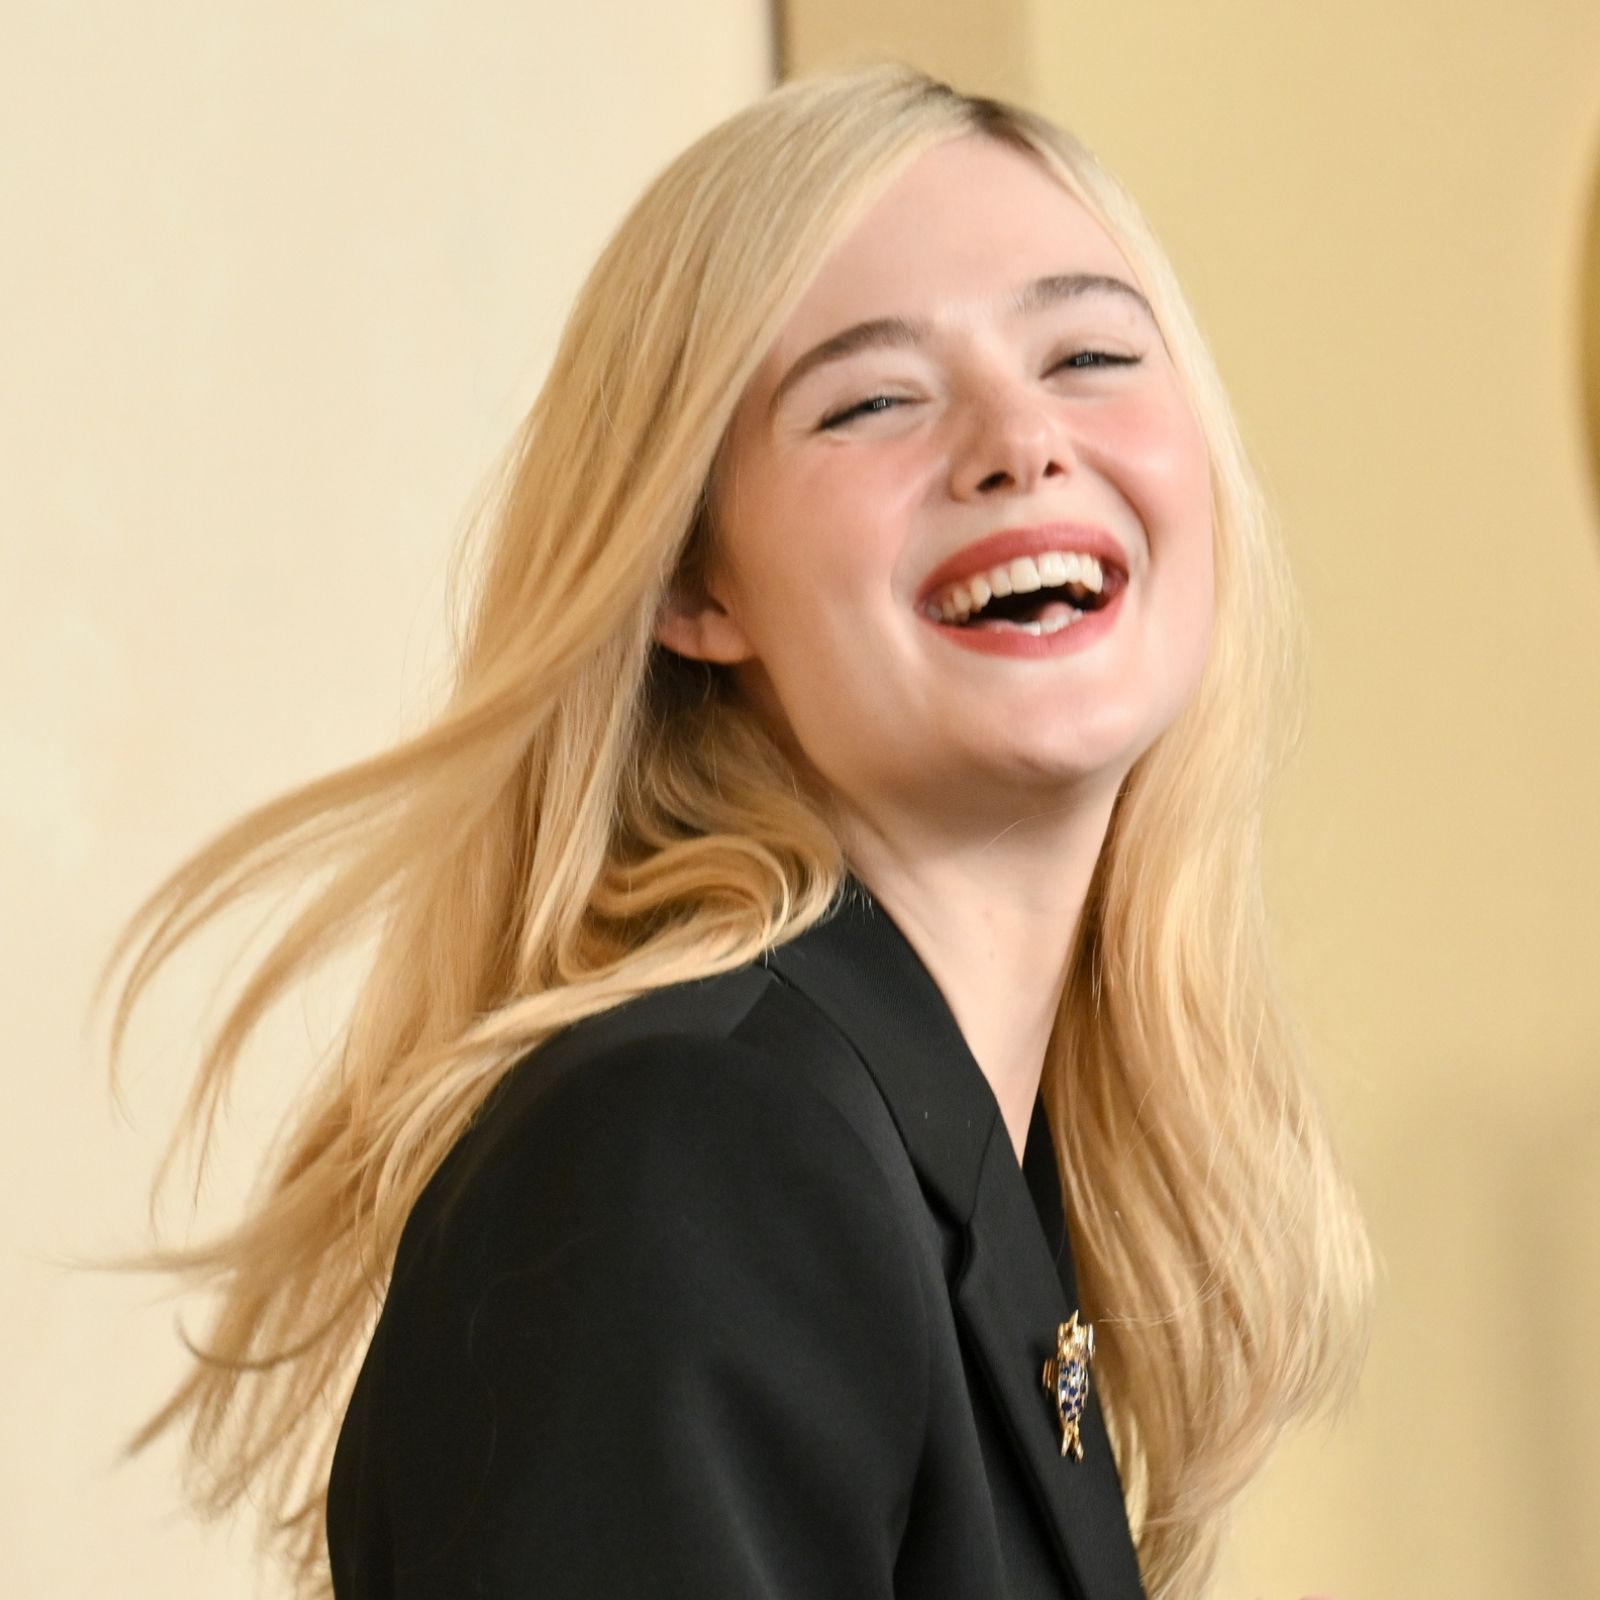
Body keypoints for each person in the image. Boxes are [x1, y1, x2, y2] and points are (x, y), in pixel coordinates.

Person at [99, 63, 1374, 1600]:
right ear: (695, 586)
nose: (1020, 442)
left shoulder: (943, 1174)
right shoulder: (698, 1152)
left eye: (1091, 352)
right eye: (873, 399)